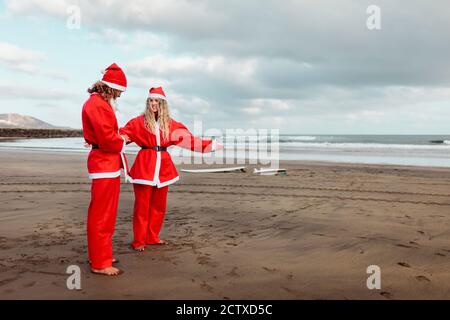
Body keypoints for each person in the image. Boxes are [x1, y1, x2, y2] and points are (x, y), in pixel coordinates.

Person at [120, 86, 223, 251]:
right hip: (144, 167)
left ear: (163, 104)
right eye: (151, 101)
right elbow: (123, 135)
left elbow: (189, 140)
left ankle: (152, 237)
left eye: (156, 101)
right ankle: (139, 241)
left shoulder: (171, 124)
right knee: (142, 206)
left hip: (163, 168)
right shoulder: (138, 122)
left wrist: (210, 146)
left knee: (159, 206)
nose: (153, 104)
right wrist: (100, 140)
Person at [81, 63, 131, 276]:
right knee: (102, 213)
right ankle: (100, 262)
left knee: (105, 212)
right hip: (104, 162)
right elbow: (108, 139)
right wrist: (123, 139)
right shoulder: (97, 105)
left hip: (106, 162)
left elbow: (106, 135)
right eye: (118, 91)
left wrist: (120, 138)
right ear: (110, 88)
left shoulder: (99, 103)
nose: (119, 96)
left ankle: (101, 254)